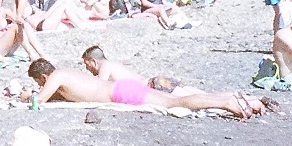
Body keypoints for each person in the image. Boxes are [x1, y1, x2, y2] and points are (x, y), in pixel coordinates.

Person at [26, 59, 265, 118]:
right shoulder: (67, 74)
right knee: (175, 99)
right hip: (121, 88)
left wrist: (29, 96)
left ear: (43, 76)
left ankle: (226, 102)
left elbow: (39, 101)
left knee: (175, 103)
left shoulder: (56, 77)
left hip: (120, 93)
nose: (41, 85)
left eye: (39, 82)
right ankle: (232, 97)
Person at [12, 0, 94, 31]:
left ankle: (83, 22)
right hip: (42, 24)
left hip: (43, 20)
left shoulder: (19, 1)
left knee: (65, 0)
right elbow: (18, 18)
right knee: (64, 5)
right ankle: (83, 25)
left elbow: (16, 15)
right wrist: (26, 28)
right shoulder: (23, 0)